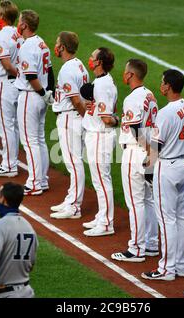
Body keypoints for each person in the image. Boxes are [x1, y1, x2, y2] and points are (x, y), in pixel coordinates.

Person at [141, 69, 184, 280]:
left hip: (168, 167)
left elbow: (155, 147)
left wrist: (148, 169)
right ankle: (182, 265)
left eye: (163, 83)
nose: (160, 85)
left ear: (169, 87)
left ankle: (166, 269)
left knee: (166, 219)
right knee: (182, 217)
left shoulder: (165, 113)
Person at [110, 58, 159, 262]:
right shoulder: (150, 95)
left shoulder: (133, 98)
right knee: (148, 200)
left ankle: (136, 249)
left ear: (130, 75)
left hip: (135, 151)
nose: (123, 74)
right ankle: (152, 244)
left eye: (125, 71)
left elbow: (135, 128)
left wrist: (148, 150)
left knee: (135, 202)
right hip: (148, 152)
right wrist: (153, 153)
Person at [14, 9, 54, 196]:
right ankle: (42, 180)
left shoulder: (28, 46)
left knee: (30, 142)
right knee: (38, 139)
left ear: (24, 25)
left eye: (20, 22)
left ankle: (35, 183)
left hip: (31, 95)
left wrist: (42, 92)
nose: (17, 24)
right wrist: (49, 93)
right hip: (41, 97)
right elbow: (51, 71)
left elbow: (30, 76)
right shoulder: (42, 43)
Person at [49, 31, 89, 220]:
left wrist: (85, 119)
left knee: (74, 163)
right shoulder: (79, 65)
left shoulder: (67, 69)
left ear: (63, 47)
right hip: (73, 117)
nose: (55, 46)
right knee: (74, 161)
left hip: (70, 118)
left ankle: (74, 206)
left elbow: (75, 100)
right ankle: (70, 199)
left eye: (57, 43)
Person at [81, 47, 118, 237]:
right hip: (96, 134)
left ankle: (106, 223)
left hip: (100, 135)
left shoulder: (103, 85)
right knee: (98, 180)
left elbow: (107, 117)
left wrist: (116, 120)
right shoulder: (102, 81)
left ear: (99, 62)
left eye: (92, 57)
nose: (89, 59)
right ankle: (101, 216)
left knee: (102, 181)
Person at [0, 182, 38, 298]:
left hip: (5, 294)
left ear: (3, 199)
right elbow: (31, 265)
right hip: (26, 292)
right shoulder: (29, 228)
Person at [0, 0, 21, 177]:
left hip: (4, 85)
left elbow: (7, 65)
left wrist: (19, 76)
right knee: (14, 126)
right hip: (17, 87)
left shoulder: (1, 36)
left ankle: (8, 165)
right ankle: (12, 161)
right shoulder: (18, 34)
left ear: (2, 16)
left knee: (6, 126)